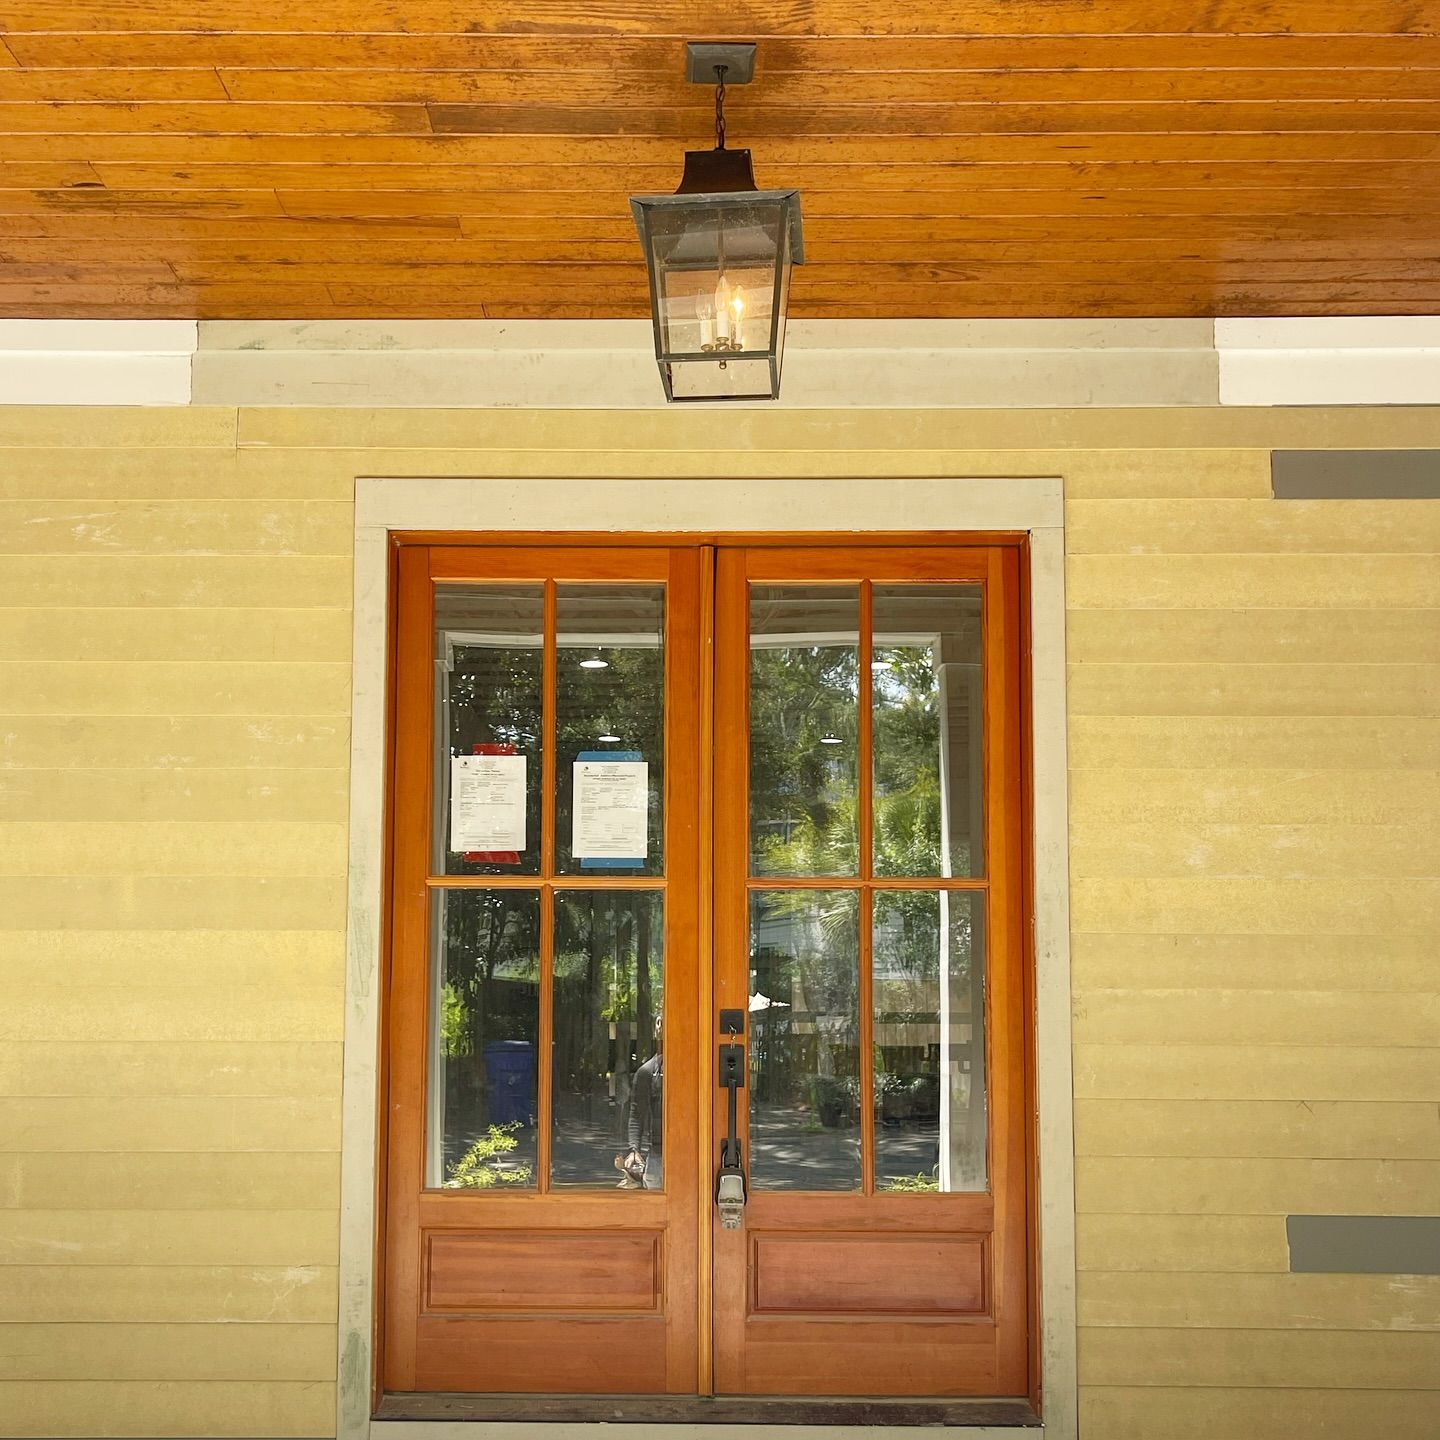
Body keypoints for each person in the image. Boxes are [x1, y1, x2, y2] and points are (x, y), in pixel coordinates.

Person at [615, 1010, 662, 1190]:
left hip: (693, 1154)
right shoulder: (647, 1072)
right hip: (657, 1155)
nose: (660, 1026)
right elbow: (636, 1114)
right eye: (658, 1022)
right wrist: (634, 1149)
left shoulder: (697, 1067)